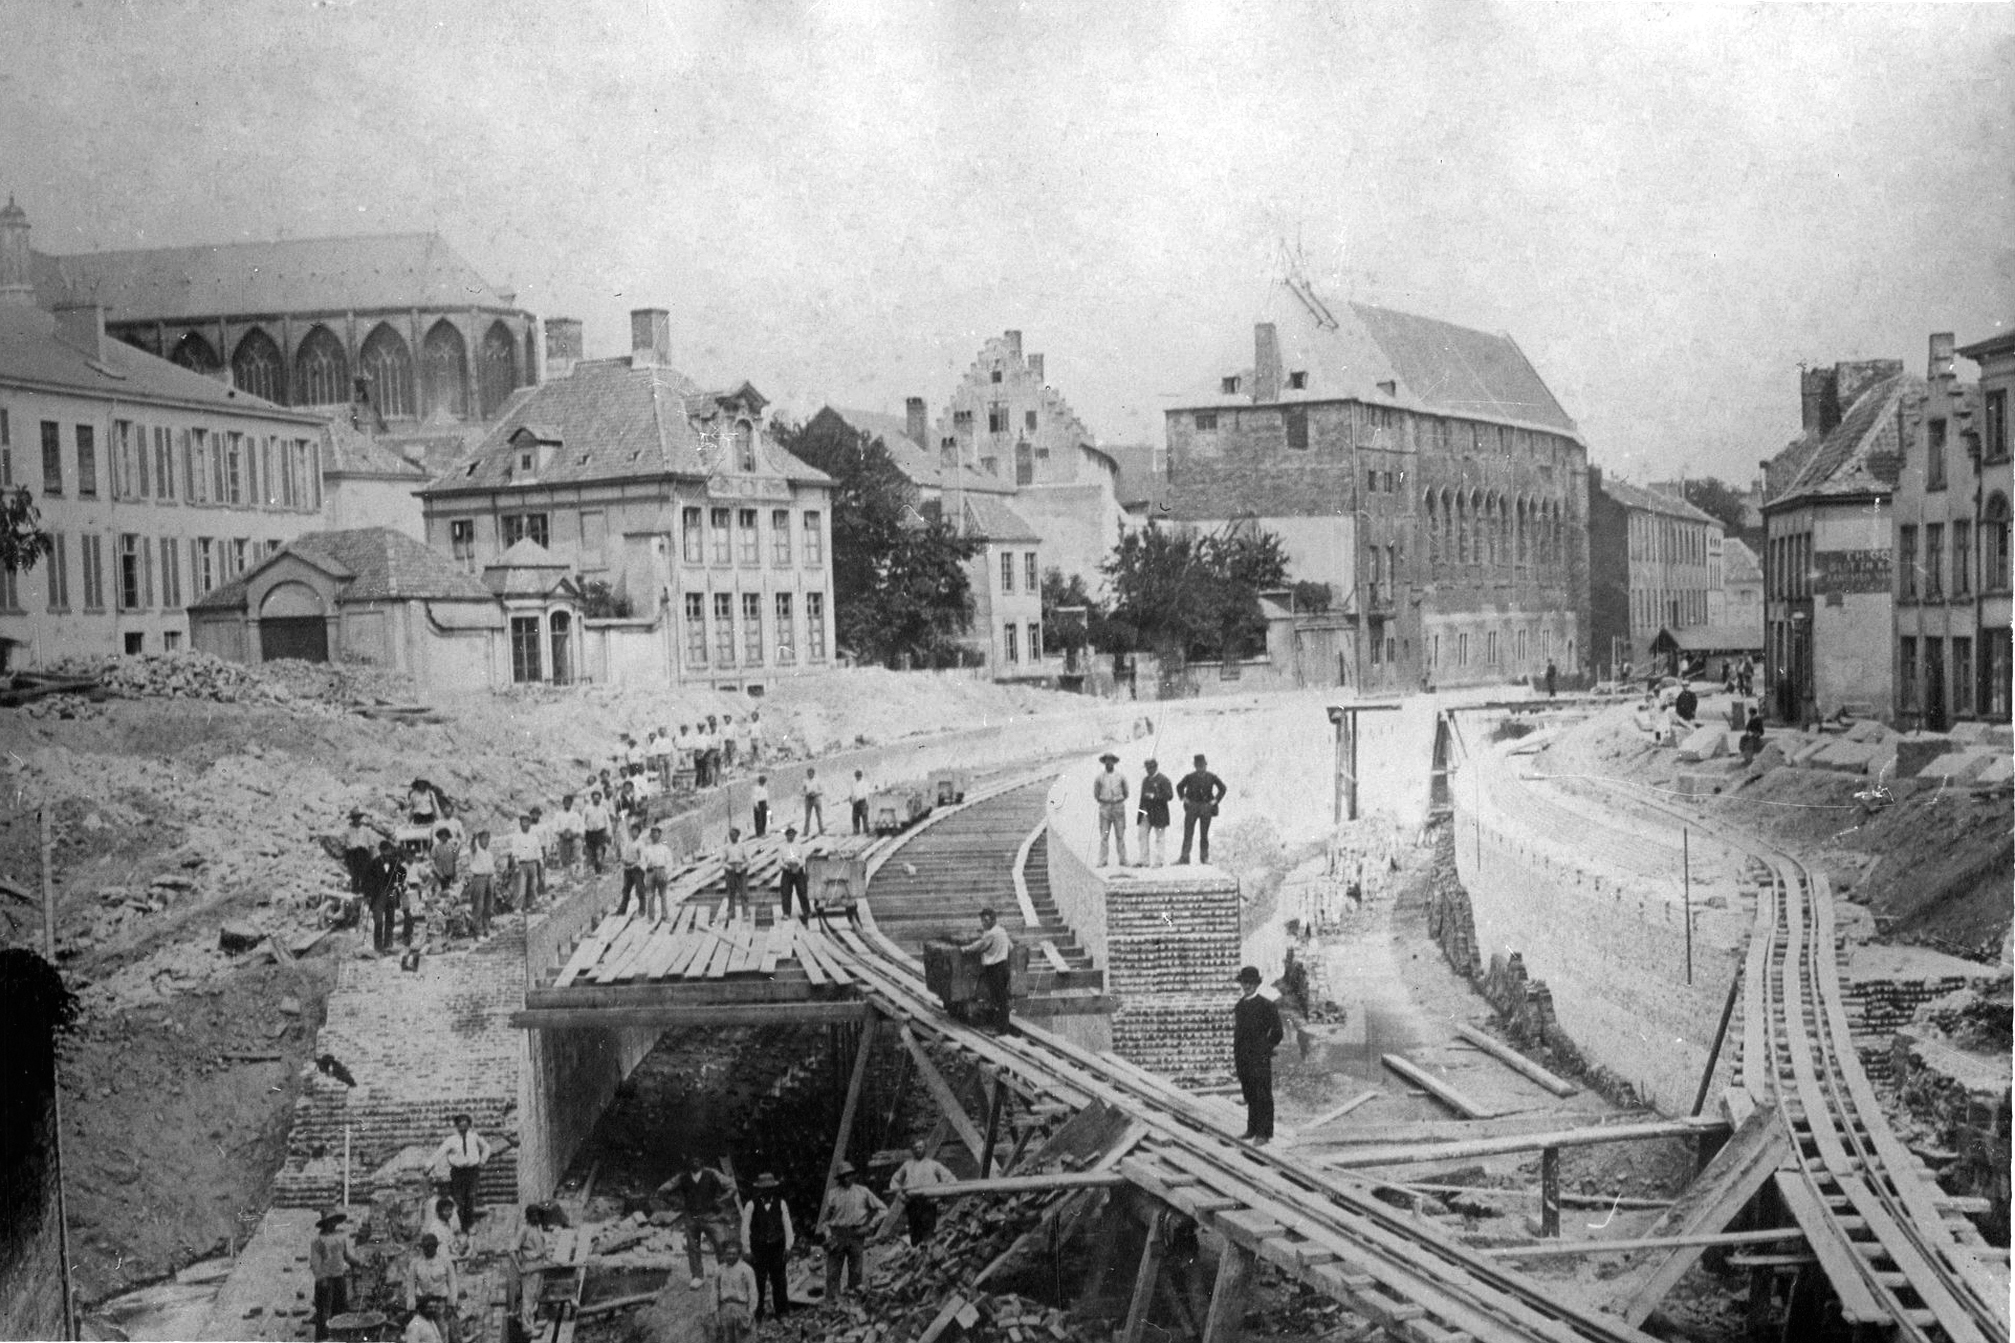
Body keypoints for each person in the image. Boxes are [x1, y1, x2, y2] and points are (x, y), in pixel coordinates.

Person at [816, 1162, 885, 1302]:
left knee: (856, 1269)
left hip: (856, 1234)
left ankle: (853, 1298)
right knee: (833, 1270)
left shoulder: (863, 1191)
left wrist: (870, 1226)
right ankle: (833, 1300)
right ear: (839, 1178)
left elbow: (883, 1210)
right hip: (837, 1234)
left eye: (849, 1175)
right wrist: (829, 1235)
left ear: (853, 1176)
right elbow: (825, 1221)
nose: (847, 1179)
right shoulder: (833, 1194)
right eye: (843, 1176)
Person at [660, 1155, 731, 1290]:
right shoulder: (682, 1177)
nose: (695, 1162)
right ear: (688, 1163)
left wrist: (721, 1201)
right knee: (693, 1246)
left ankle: (725, 1275)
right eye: (692, 1160)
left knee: (720, 1243)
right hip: (691, 1215)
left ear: (702, 1162)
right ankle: (697, 1276)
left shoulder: (712, 1174)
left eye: (698, 1159)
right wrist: (678, 1203)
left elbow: (731, 1186)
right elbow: (662, 1191)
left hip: (710, 1214)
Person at [1232, 966, 1283, 1144]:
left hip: (1259, 1058)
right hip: (1243, 1058)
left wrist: (1265, 1049)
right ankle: (1252, 1129)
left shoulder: (1266, 1005)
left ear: (1256, 984)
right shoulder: (1239, 1006)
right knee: (1250, 1093)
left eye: (1250, 983)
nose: (1247, 986)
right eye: (1244, 982)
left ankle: (1264, 1133)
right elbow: (1238, 1035)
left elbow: (1277, 1032)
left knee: (1263, 1094)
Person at [739, 1172, 794, 1320]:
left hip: (777, 1247)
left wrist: (788, 1246)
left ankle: (782, 1312)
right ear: (759, 1189)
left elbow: (787, 1225)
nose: (767, 1191)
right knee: (758, 1281)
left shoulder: (781, 1203)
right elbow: (745, 1228)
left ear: (774, 1188)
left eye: (770, 1188)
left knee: (779, 1281)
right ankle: (757, 1313)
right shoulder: (751, 1204)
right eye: (764, 1189)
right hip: (759, 1249)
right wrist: (747, 1249)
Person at [310, 1209, 368, 1341]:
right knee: (324, 1313)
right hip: (325, 1281)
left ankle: (340, 1338)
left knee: (341, 1310)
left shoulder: (340, 1238)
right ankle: (322, 1339)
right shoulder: (318, 1240)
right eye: (329, 1222)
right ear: (324, 1224)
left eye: (333, 1222)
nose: (332, 1224)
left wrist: (358, 1263)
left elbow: (346, 1256)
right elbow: (315, 1262)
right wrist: (321, 1278)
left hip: (339, 1278)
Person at [888, 1140, 956, 1248]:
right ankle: (915, 1257)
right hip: (913, 1204)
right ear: (912, 1150)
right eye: (916, 1148)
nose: (918, 1150)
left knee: (928, 1234)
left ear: (925, 1149)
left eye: (920, 1147)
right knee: (915, 1234)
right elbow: (895, 1181)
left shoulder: (933, 1165)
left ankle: (927, 1257)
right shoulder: (907, 1165)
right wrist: (901, 1196)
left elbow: (951, 1179)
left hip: (928, 1204)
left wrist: (940, 1197)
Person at [431, 1114, 491, 1233]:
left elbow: (487, 1148)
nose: (463, 1127)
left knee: (471, 1197)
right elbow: (439, 1152)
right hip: (458, 1173)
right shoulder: (451, 1140)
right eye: (460, 1124)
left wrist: (482, 1161)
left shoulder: (474, 1137)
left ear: (469, 1125)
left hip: (472, 1171)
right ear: (457, 1126)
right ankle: (461, 1226)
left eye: (465, 1124)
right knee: (459, 1201)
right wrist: (429, 1166)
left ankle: (469, 1225)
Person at [961, 908, 1014, 1032]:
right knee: (1002, 998)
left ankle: (1002, 1029)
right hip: (1004, 967)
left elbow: (979, 946)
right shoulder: (1002, 931)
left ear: (993, 920)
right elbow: (1011, 947)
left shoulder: (991, 934)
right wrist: (1000, 952)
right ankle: (1002, 1026)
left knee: (998, 999)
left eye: (986, 921)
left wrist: (965, 949)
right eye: (982, 921)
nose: (983, 923)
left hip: (995, 969)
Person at [405, 1232, 461, 1343]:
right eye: (426, 1247)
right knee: (426, 1333)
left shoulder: (445, 1261)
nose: (429, 1249)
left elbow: (453, 1283)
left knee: (443, 1332)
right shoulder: (415, 1263)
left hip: (441, 1303)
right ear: (422, 1248)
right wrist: (411, 1308)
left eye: (432, 1246)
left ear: (436, 1246)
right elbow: (410, 1286)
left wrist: (451, 1304)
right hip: (424, 1305)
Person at [1176, 754, 1227, 865]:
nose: (1200, 768)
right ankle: (1185, 858)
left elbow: (1223, 788)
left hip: (1206, 808)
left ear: (1205, 765)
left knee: (1204, 834)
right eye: (1198, 765)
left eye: (1202, 765)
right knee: (1188, 833)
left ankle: (1204, 858)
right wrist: (1184, 799)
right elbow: (1179, 787)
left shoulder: (1212, 777)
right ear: (1195, 766)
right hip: (1192, 808)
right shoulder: (1189, 777)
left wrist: (1214, 801)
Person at [509, 1204, 550, 1337]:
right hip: (530, 1265)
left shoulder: (538, 1227)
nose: (536, 1217)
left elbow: (542, 1245)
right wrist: (519, 1266)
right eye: (533, 1215)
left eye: (538, 1215)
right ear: (528, 1216)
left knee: (536, 1295)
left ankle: (532, 1320)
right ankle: (527, 1328)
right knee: (528, 1296)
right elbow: (512, 1250)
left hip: (540, 1264)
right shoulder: (524, 1229)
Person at [712, 1241, 759, 1343]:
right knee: (725, 1339)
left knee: (744, 1338)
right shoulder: (719, 1270)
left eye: (734, 1253)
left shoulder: (747, 1270)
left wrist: (750, 1312)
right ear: (724, 1254)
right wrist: (715, 1312)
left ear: (739, 1254)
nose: (731, 1256)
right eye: (728, 1253)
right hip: (725, 1308)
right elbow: (714, 1291)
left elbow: (753, 1292)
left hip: (741, 1308)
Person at [1093, 751, 1129, 867]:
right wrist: (1105, 800)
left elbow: (1126, 792)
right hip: (1105, 809)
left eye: (1111, 760)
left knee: (1120, 836)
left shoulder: (1120, 777)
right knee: (1104, 836)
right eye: (1107, 761)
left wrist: (1118, 800)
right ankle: (1103, 860)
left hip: (1118, 808)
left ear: (1114, 762)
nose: (1109, 763)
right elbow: (1096, 793)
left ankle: (1123, 860)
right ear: (1104, 763)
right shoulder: (1099, 778)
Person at [369, 840, 406, 954]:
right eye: (384, 851)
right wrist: (369, 894)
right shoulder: (374, 863)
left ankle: (388, 944)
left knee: (390, 920)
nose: (387, 853)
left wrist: (398, 883)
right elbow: (367, 880)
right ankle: (378, 946)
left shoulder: (395, 862)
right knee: (378, 921)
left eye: (389, 851)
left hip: (391, 893)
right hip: (378, 895)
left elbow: (403, 872)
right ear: (380, 851)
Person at [1136, 758, 1173, 868]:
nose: (1149, 770)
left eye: (1151, 768)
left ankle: (1159, 861)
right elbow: (1142, 799)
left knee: (1159, 837)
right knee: (1142, 835)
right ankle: (1144, 860)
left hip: (1159, 814)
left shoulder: (1164, 779)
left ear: (1156, 767)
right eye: (1147, 768)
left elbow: (1169, 796)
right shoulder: (1145, 780)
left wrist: (1155, 796)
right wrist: (1141, 814)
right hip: (1146, 813)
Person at [463, 831, 496, 939]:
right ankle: (479, 932)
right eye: (483, 838)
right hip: (479, 879)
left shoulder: (489, 854)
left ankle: (486, 929)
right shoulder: (476, 851)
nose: (486, 841)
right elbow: (472, 846)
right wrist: (474, 838)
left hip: (489, 878)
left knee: (488, 906)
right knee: (479, 906)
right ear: (479, 840)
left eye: (487, 839)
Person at [343, 809, 381, 895]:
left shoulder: (366, 830)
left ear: (360, 818)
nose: (356, 819)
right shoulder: (348, 830)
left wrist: (371, 858)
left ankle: (366, 894)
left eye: (357, 817)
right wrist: (346, 859)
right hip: (352, 854)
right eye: (354, 818)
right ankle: (355, 894)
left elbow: (371, 845)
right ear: (352, 819)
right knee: (354, 875)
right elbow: (345, 846)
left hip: (363, 854)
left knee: (365, 874)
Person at [642, 825, 674, 923]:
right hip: (650, 873)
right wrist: (646, 867)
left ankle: (664, 916)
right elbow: (642, 862)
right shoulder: (646, 849)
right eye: (652, 833)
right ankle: (651, 917)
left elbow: (670, 862)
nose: (654, 835)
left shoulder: (664, 848)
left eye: (656, 833)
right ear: (650, 836)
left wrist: (666, 872)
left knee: (663, 894)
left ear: (659, 835)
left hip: (661, 871)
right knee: (650, 895)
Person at [617, 819, 648, 917]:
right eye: (632, 830)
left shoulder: (640, 844)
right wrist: (623, 860)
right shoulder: (628, 842)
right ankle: (622, 910)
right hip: (628, 868)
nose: (634, 833)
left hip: (637, 869)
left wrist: (636, 865)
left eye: (636, 831)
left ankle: (642, 910)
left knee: (640, 889)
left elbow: (643, 858)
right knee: (626, 890)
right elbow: (624, 854)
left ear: (639, 832)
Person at [778, 827, 809, 923]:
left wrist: (798, 866)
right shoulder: (781, 847)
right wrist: (786, 867)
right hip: (787, 871)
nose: (790, 836)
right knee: (786, 892)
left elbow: (803, 859)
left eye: (792, 834)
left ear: (795, 835)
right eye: (789, 834)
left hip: (798, 870)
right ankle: (786, 913)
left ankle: (806, 911)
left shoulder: (799, 846)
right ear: (786, 835)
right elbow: (779, 861)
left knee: (802, 891)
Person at [722, 827, 750, 920]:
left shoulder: (742, 846)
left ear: (738, 835)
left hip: (741, 870)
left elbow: (748, 860)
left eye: (733, 835)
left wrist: (743, 867)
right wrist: (729, 867)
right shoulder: (726, 847)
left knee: (744, 892)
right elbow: (722, 861)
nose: (731, 837)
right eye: (730, 835)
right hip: (730, 871)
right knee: (731, 892)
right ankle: (731, 912)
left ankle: (745, 913)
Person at [581, 790, 612, 875]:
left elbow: (608, 822)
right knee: (590, 851)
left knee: (599, 851)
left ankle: (598, 870)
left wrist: (609, 833)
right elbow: (582, 821)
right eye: (595, 798)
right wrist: (582, 833)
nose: (596, 800)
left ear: (600, 799)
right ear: (592, 799)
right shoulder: (587, 809)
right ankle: (592, 867)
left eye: (598, 798)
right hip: (589, 833)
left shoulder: (603, 809)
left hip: (600, 833)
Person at [553, 795, 584, 870]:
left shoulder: (576, 815)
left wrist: (576, 833)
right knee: (565, 859)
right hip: (563, 839)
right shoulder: (558, 815)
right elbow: (555, 828)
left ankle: (578, 875)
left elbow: (582, 826)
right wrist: (562, 832)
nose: (567, 804)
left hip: (574, 838)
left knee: (577, 857)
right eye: (565, 802)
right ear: (563, 803)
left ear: (571, 803)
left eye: (569, 802)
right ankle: (567, 876)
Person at [802, 767, 824, 835]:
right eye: (808, 773)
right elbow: (802, 790)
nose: (809, 774)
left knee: (819, 815)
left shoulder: (817, 780)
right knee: (807, 816)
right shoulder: (805, 781)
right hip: (808, 799)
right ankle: (806, 831)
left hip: (816, 798)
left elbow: (822, 790)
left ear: (813, 773)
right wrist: (806, 793)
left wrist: (815, 792)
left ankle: (821, 830)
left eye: (811, 773)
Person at [849, 769, 872, 834]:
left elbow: (866, 793)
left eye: (859, 776)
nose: (858, 777)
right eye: (856, 776)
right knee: (855, 817)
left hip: (862, 801)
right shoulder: (853, 783)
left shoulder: (864, 783)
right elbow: (852, 792)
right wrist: (851, 798)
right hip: (855, 802)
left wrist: (867, 802)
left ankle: (866, 829)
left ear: (861, 776)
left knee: (864, 816)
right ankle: (856, 830)